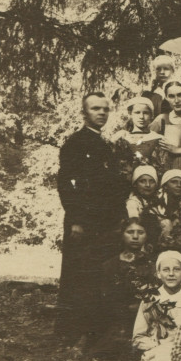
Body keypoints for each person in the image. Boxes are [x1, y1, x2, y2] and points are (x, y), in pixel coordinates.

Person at [55, 92, 127, 346]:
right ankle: (71, 334)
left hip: (105, 220)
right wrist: (76, 219)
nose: (101, 113)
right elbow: (66, 183)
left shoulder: (106, 143)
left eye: (105, 109)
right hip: (83, 221)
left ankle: (96, 332)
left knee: (99, 274)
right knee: (78, 274)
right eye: (95, 108)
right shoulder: (75, 142)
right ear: (84, 113)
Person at [122, 251, 181, 361]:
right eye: (166, 270)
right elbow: (138, 336)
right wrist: (155, 346)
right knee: (158, 355)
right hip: (155, 349)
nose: (171, 274)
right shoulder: (150, 298)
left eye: (177, 269)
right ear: (158, 273)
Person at [97, 217, 157, 358]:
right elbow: (105, 298)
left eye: (140, 232)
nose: (135, 237)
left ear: (147, 236)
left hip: (146, 318)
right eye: (130, 232)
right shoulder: (109, 265)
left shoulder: (153, 264)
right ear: (122, 235)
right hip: (117, 319)